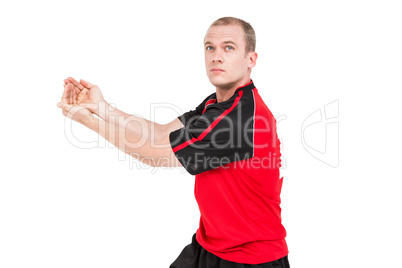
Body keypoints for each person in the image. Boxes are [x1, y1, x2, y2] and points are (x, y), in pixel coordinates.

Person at [57, 17, 290, 268]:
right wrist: (102, 108)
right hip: (209, 245)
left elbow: (153, 153)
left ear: (251, 59)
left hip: (250, 259)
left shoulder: (240, 118)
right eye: (209, 47)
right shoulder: (217, 104)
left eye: (229, 47)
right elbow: (161, 133)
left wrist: (88, 122)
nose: (216, 56)